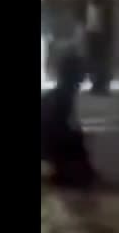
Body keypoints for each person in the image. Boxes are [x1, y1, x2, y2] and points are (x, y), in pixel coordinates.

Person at [41, 54, 96, 189]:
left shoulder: (60, 94)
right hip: (50, 141)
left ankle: (69, 171)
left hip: (50, 140)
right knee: (76, 139)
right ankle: (67, 172)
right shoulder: (62, 96)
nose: (84, 78)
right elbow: (55, 127)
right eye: (82, 73)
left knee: (76, 137)